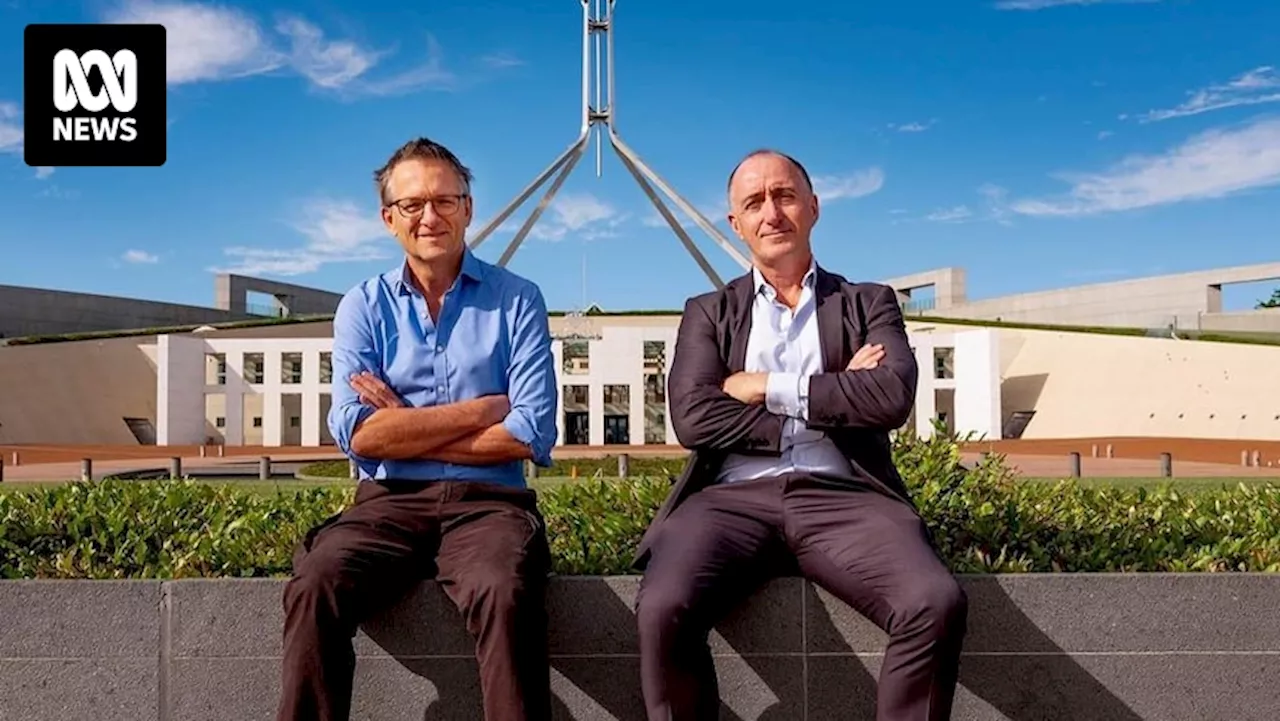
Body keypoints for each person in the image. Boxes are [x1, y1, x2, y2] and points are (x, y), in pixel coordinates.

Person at [634, 149, 968, 721]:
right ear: (735, 225)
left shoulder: (868, 303)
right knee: (662, 607)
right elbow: (693, 417)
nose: (772, 212)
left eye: (784, 196)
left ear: (813, 207)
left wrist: (762, 384)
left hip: (844, 496)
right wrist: (836, 392)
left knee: (933, 602)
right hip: (727, 502)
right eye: (754, 202)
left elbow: (890, 398)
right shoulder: (708, 312)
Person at [277, 137, 559, 721]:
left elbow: (529, 430)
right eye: (412, 205)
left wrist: (404, 421)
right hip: (387, 503)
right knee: (316, 581)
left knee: (504, 590)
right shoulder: (363, 306)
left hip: (490, 505)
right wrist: (484, 409)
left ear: (468, 208)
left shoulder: (518, 300)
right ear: (389, 219)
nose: (429, 217)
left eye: (444, 201)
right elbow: (360, 435)